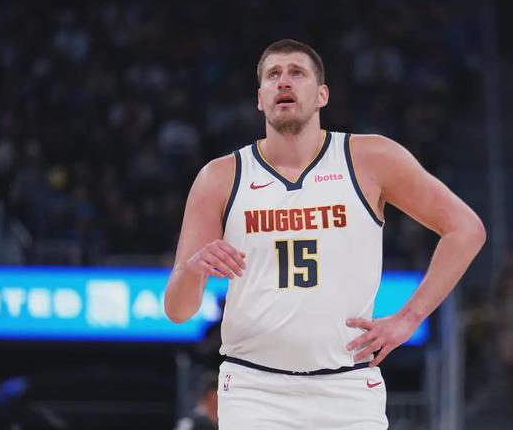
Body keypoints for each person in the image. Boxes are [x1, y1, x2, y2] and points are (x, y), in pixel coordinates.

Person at [164, 39, 486, 429]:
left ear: (322, 95)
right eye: (273, 74)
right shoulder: (219, 177)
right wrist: (193, 269)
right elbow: (177, 310)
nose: (284, 81)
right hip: (255, 389)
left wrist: (409, 318)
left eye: (297, 73)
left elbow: (465, 229)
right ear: (260, 98)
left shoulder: (371, 159)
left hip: (348, 388)